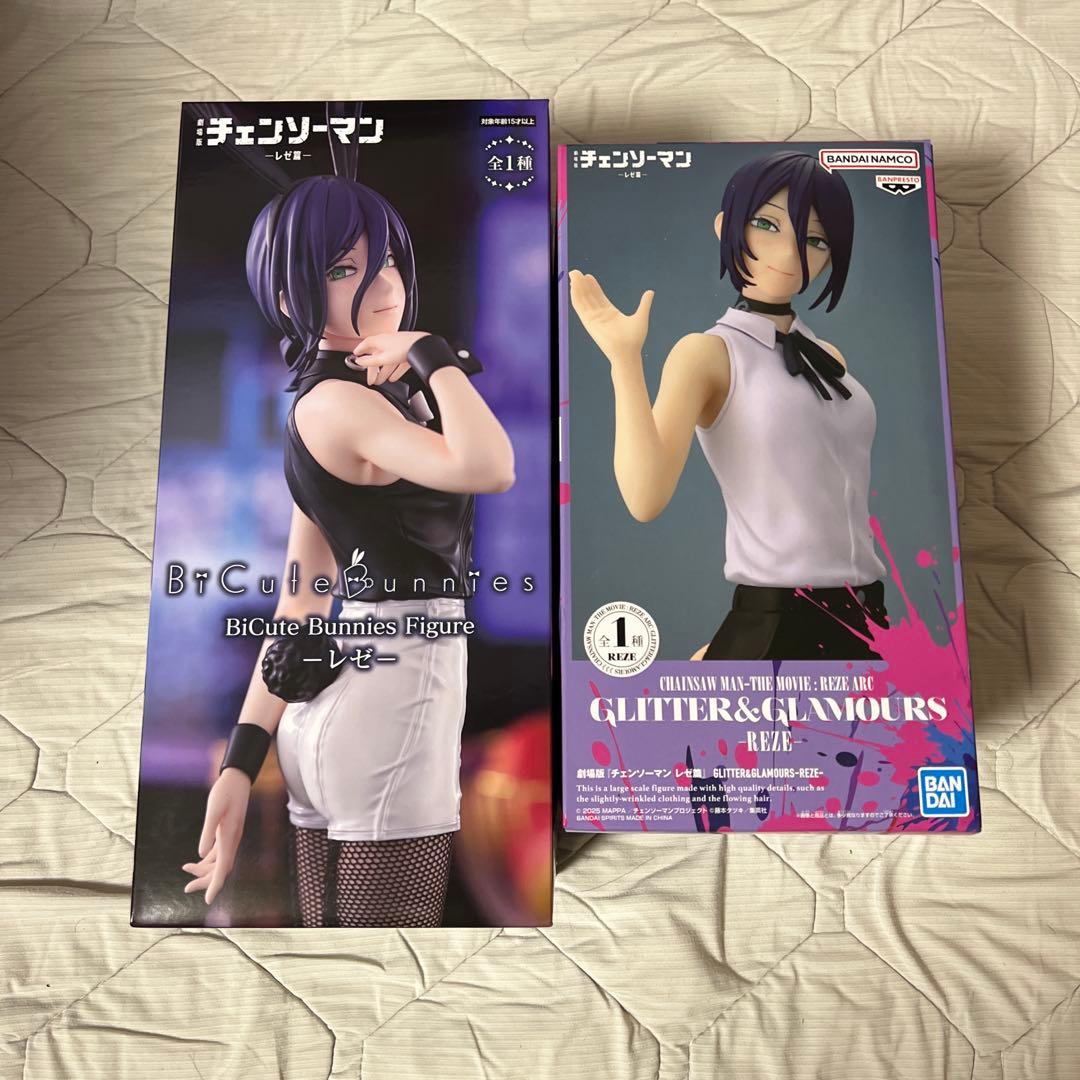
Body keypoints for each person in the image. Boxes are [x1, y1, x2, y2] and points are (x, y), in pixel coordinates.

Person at [181, 172, 514, 926]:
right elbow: (492, 466)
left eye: (387, 259)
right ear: (291, 296)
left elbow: (301, 600)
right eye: (343, 269)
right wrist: (433, 354)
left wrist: (240, 762)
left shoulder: (339, 399)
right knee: (385, 962)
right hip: (395, 701)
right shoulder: (341, 404)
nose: (382, 284)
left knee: (340, 953)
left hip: (335, 708)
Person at [569, 150, 889, 661]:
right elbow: (645, 498)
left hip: (869, 615)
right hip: (782, 616)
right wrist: (624, 360)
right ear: (726, 228)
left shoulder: (826, 357)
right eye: (767, 225)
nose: (789, 253)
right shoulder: (709, 353)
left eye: (815, 240)